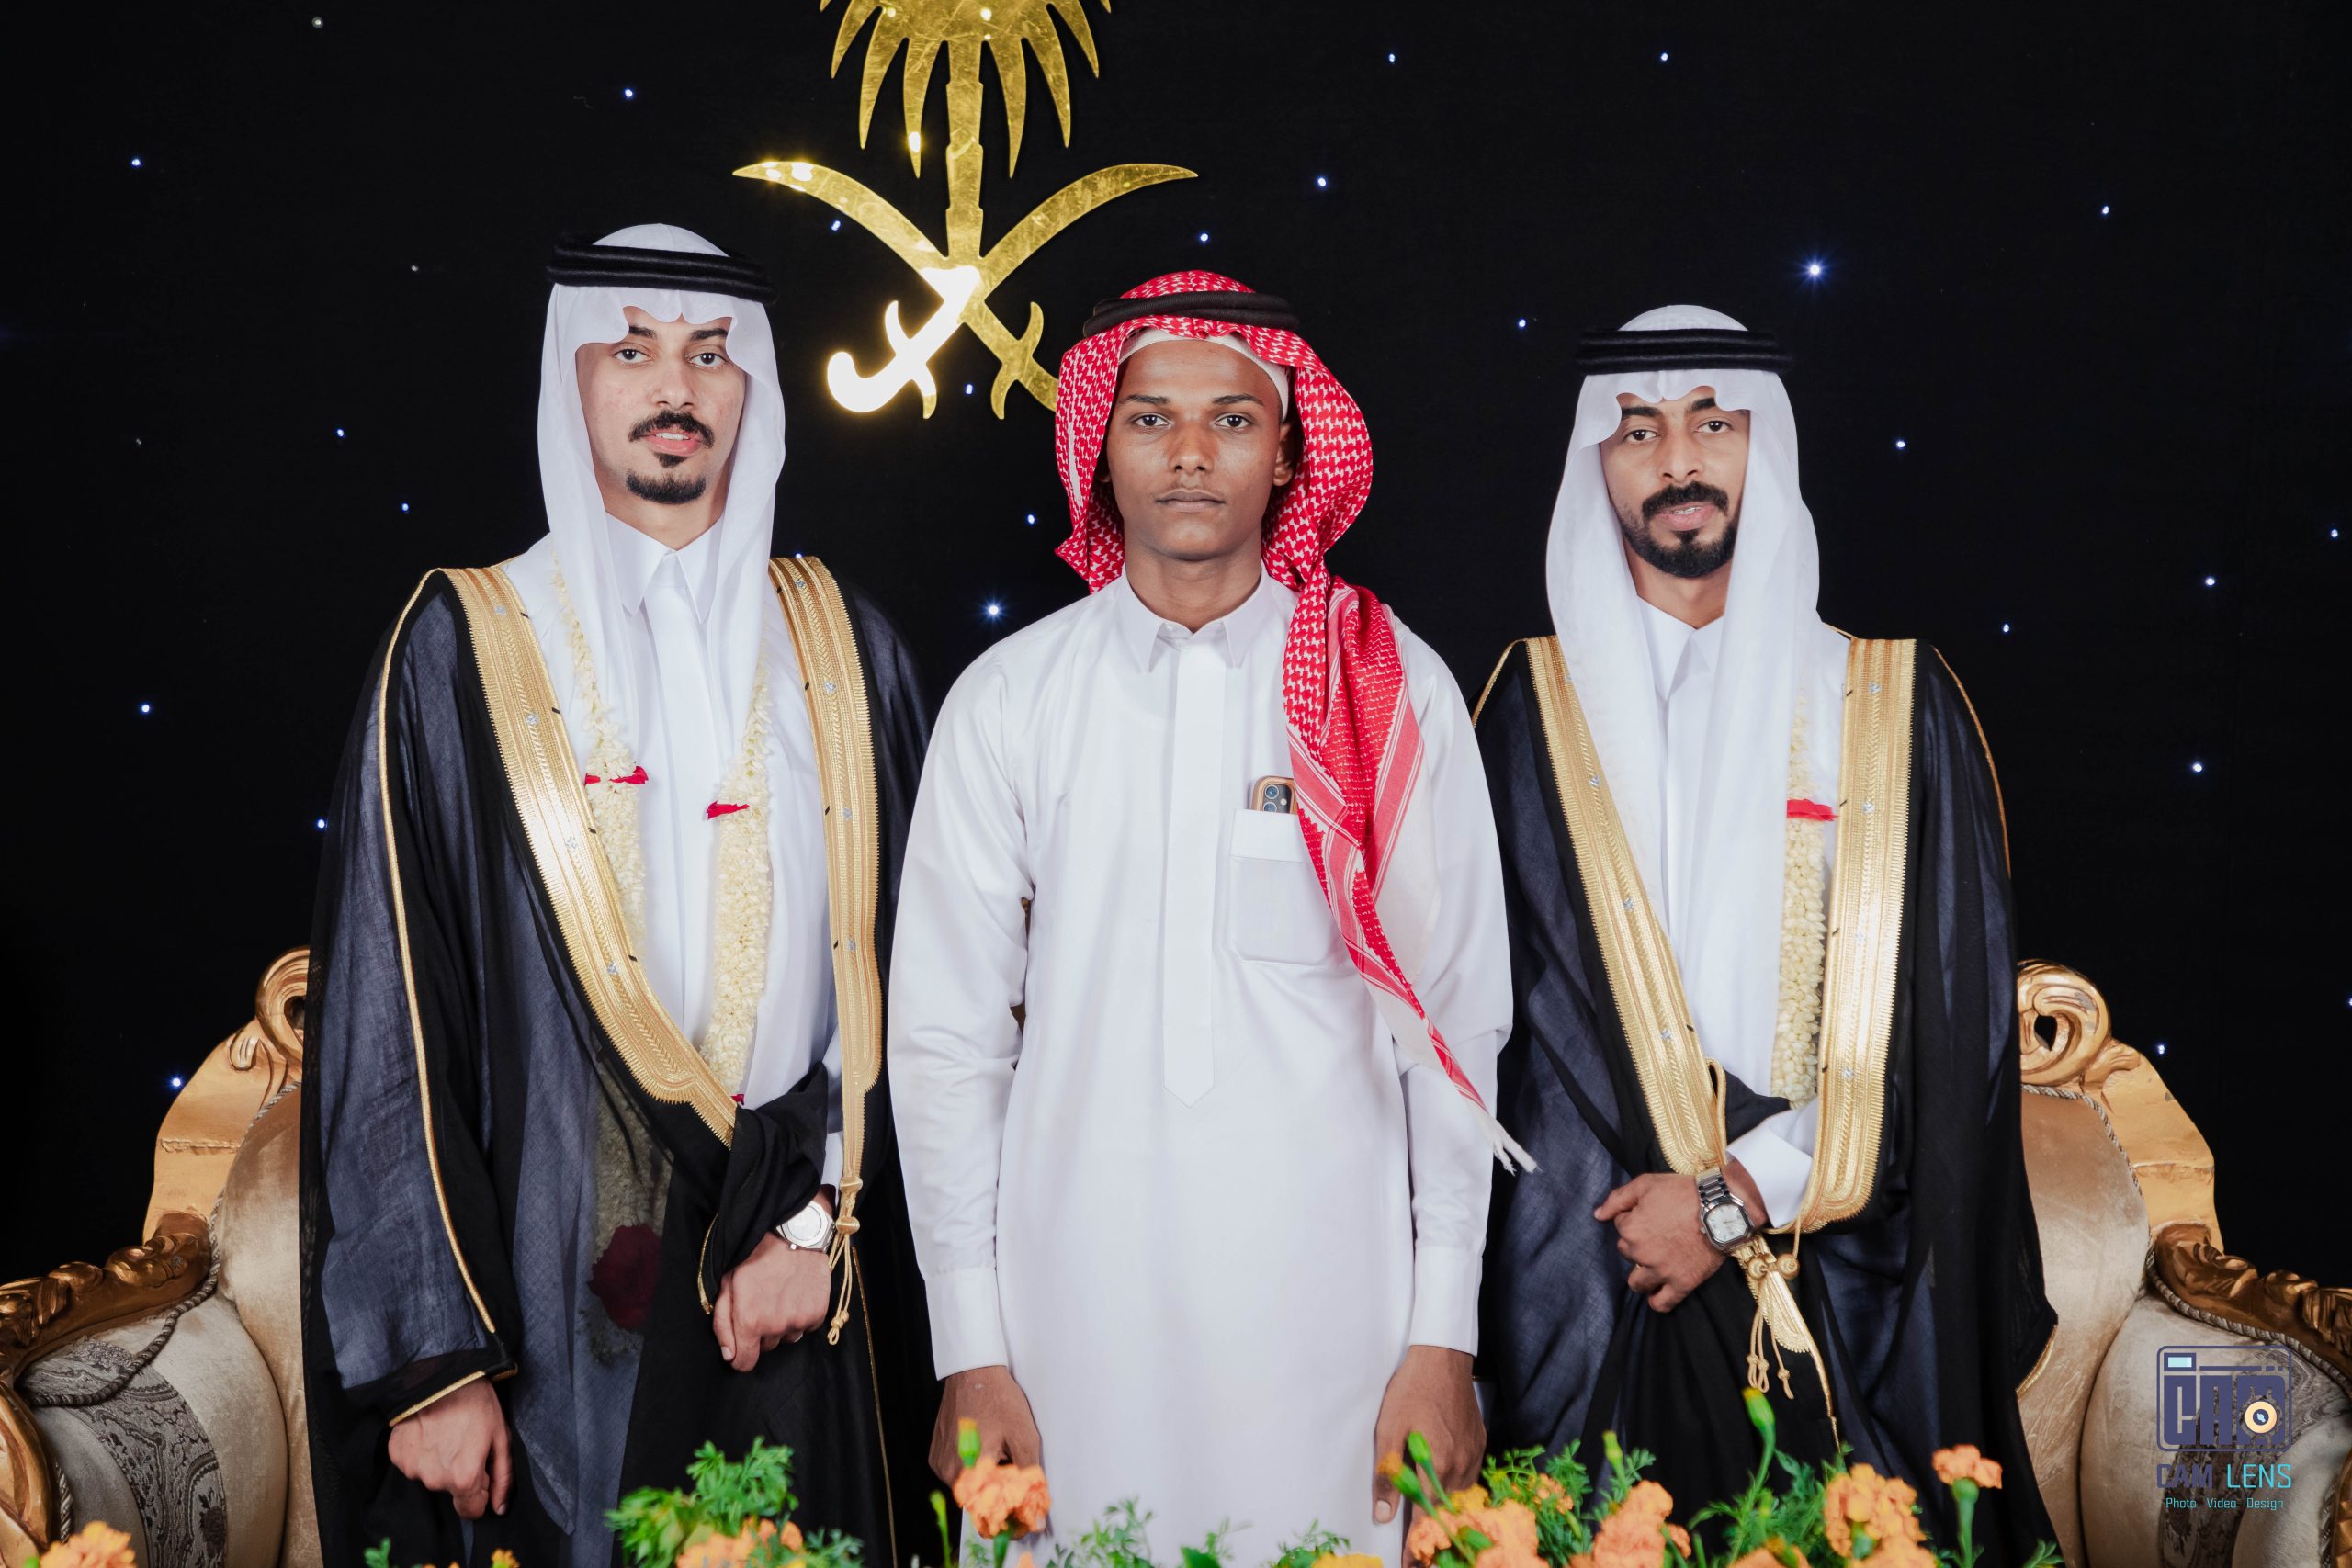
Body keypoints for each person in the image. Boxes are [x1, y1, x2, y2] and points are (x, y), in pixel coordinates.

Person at [299, 225, 934, 1567]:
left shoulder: (841, 645)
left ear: (752, 388)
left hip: (795, 1279)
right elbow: (390, 1014)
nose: (675, 387)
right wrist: (434, 1361)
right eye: (632, 350)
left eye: (711, 354)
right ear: (570, 378)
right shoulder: (464, 643)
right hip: (549, 1306)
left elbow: (920, 979)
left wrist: (819, 1221)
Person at [888, 274, 1520, 1565]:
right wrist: (969, 1346)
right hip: (1064, 1330)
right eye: (1151, 419)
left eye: (1232, 419)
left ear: (1287, 452)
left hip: (1338, 1333)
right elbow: (947, 1045)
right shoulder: (1010, 698)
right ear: (1099, 446)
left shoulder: (1384, 688)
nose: (1189, 452)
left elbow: (1456, 1030)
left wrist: (1444, 1338)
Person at [1474, 307, 2056, 1560]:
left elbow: (1943, 1039)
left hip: (1841, 1284)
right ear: (1596, 465)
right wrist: (1640, 1228)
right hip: (1595, 1280)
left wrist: (1732, 1198)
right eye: (1638, 430)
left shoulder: (1889, 707)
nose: (1679, 459)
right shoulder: (1526, 714)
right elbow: (1500, 1036)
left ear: (1766, 446)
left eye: (1713, 423)